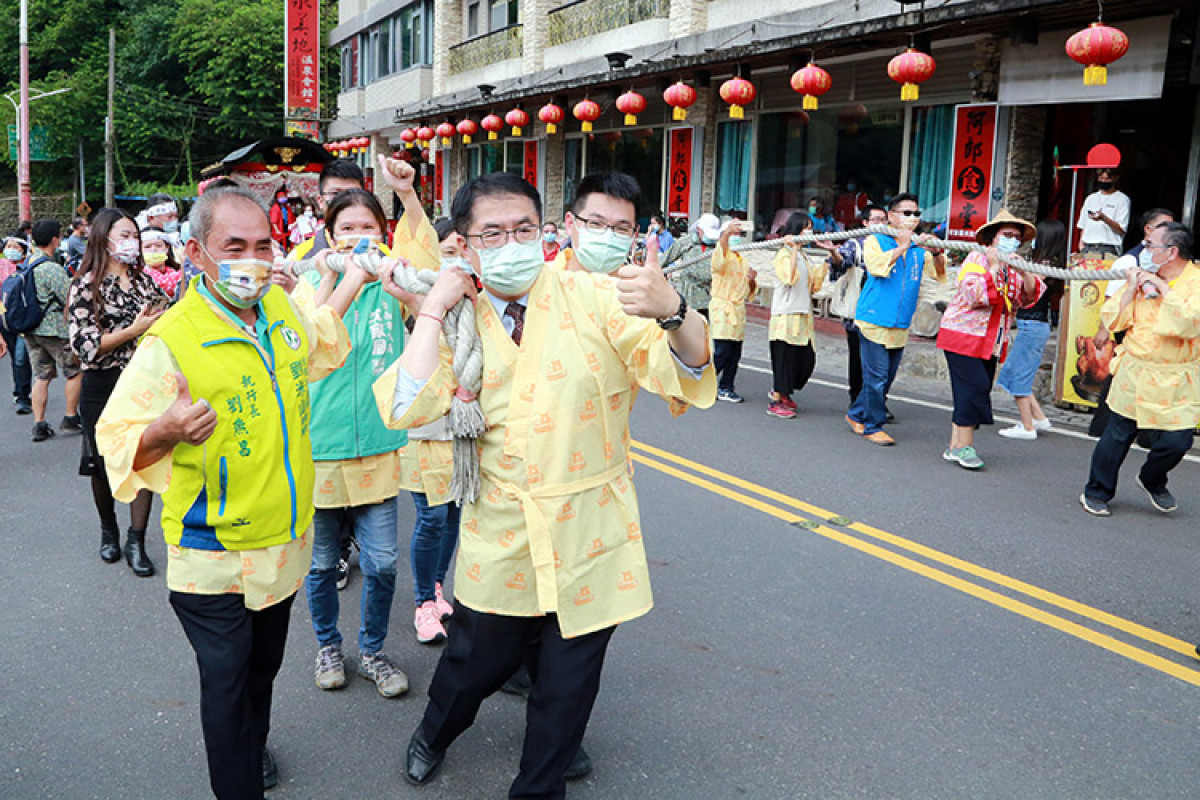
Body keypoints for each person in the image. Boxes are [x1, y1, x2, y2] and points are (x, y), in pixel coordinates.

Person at [375, 171, 714, 799]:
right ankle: (434, 733)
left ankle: (539, 784)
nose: (511, 243)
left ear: (546, 231)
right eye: (492, 233)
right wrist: (432, 308)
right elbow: (404, 404)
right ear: (467, 246)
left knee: (568, 683)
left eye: (523, 229)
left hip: (591, 529)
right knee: (475, 663)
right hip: (502, 530)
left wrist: (674, 311)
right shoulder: (461, 318)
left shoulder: (595, 297)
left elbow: (688, 367)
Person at [94, 185, 354, 798]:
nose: (252, 260)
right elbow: (116, 440)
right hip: (211, 557)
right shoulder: (172, 340)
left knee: (261, 673)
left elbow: (321, 341)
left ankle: (252, 749)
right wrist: (164, 430)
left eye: (263, 245)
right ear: (197, 253)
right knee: (228, 684)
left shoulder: (282, 312)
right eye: (233, 246)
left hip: (283, 546)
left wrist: (360, 273)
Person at [300, 179, 428, 698]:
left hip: (377, 446)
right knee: (321, 564)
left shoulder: (393, 283)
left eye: (368, 229)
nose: (358, 238)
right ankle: (328, 645)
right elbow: (306, 341)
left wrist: (409, 294)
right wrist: (343, 278)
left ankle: (373, 649)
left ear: (384, 234)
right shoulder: (311, 283)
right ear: (329, 236)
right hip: (321, 449)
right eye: (347, 229)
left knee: (382, 562)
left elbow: (430, 313)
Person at [67, 209, 168, 575]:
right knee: (104, 465)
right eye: (124, 235)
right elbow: (86, 348)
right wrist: (133, 330)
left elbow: (169, 321)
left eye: (134, 235)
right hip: (103, 384)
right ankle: (108, 532)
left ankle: (136, 539)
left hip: (143, 384)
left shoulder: (145, 281)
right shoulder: (85, 285)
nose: (132, 242)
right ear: (103, 239)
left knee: (143, 459)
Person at [1080, 222, 1200, 516]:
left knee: (1178, 439)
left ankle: (1152, 478)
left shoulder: (1195, 283)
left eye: (1150, 246)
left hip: (1176, 375)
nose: (1144, 251)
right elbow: (1115, 321)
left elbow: (1188, 322)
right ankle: (1097, 490)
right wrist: (1131, 288)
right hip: (1136, 369)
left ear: (1171, 252)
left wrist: (1161, 289)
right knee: (1117, 433)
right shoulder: (1143, 280)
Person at [935, 211, 1044, 470]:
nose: (1012, 241)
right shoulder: (976, 258)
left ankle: (954, 445)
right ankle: (964, 447)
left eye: (1017, 237)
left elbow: (1028, 297)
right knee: (972, 389)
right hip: (963, 336)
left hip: (991, 341)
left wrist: (1023, 271)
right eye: (1007, 235)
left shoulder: (1013, 265)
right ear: (992, 238)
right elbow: (975, 294)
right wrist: (994, 267)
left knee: (975, 390)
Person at [402, 217, 465, 645]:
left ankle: (438, 587)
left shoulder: (475, 299)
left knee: (455, 516)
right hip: (426, 430)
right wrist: (407, 196)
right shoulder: (415, 296)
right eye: (445, 248)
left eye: (460, 247)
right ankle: (424, 601)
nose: (453, 255)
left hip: (463, 432)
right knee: (432, 517)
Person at [846, 193, 947, 446]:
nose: (913, 218)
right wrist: (901, 246)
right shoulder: (876, 240)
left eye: (916, 214)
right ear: (892, 216)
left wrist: (935, 252)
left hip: (900, 321)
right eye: (907, 213)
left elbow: (939, 274)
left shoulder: (918, 248)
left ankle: (856, 414)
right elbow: (877, 266)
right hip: (873, 319)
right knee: (876, 376)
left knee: (886, 378)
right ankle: (872, 425)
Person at [1088, 208, 1176, 438]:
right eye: (1163, 225)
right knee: (1120, 375)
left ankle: (1135, 430)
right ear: (1148, 229)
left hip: (1149, 330)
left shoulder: (1166, 262)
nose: (1170, 230)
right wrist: (1103, 329)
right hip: (1129, 327)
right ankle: (1106, 427)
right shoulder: (1130, 259)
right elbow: (1113, 297)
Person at [995, 219, 1066, 439]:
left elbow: (1030, 287)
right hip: (1035, 324)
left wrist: (1016, 268)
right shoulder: (1054, 263)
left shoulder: (1044, 264)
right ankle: (1040, 418)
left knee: (1018, 376)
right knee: (1017, 373)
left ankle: (1027, 427)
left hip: (1032, 325)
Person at [25, 219, 83, 442]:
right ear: (55, 240)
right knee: (74, 371)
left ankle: (39, 423)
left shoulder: (29, 263)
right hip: (55, 330)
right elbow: (70, 297)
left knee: (41, 376)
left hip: (32, 329)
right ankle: (70, 417)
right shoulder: (52, 268)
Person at [827, 205, 888, 408]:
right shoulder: (856, 245)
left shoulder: (892, 244)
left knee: (882, 361)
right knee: (859, 359)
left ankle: (877, 401)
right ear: (865, 223)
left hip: (883, 312)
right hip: (858, 313)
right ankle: (857, 400)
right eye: (876, 219)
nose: (880, 224)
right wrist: (833, 252)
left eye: (883, 219)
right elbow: (840, 262)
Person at [766, 212, 827, 419]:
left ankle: (785, 392)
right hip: (786, 314)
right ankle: (776, 398)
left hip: (802, 313)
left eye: (810, 227)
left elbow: (813, 285)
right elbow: (789, 278)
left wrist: (829, 259)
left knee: (805, 359)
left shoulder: (804, 255)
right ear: (795, 230)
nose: (809, 232)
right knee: (784, 358)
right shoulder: (784, 254)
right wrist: (791, 249)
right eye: (805, 227)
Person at [709, 216, 755, 403]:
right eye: (733, 233)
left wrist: (752, 281)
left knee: (735, 353)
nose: (737, 236)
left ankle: (726, 386)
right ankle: (705, 383)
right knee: (722, 351)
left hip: (737, 310)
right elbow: (717, 263)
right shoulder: (721, 254)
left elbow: (747, 289)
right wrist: (726, 233)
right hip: (723, 309)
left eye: (739, 233)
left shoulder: (741, 258)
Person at [556, 172, 640, 276]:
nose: (608, 238)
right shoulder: (538, 285)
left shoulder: (642, 289)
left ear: (635, 235)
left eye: (622, 228)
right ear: (570, 224)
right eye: (595, 223)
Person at [661, 213, 719, 320]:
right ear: (699, 230)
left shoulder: (719, 247)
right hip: (687, 299)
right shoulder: (686, 243)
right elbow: (664, 259)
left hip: (709, 301)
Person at [0, 232, 33, 414]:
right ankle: (19, 389)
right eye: (8, 246)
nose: (11, 250)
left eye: (16, 247)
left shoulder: (28, 269)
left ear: (24, 251)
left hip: (22, 321)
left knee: (21, 358)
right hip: (5, 321)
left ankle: (22, 396)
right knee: (15, 357)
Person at [1077, 167, 1129, 257]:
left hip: (1109, 248)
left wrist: (1104, 218)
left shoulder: (1122, 199)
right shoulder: (1091, 198)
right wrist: (1081, 245)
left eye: (1107, 179)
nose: (1104, 181)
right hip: (1088, 247)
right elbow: (1083, 225)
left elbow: (1121, 229)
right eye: (1101, 178)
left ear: (1115, 178)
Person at [141, 227, 184, 298]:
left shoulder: (178, 270)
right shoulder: (140, 277)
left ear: (167, 248)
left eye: (158, 246)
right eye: (147, 247)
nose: (153, 249)